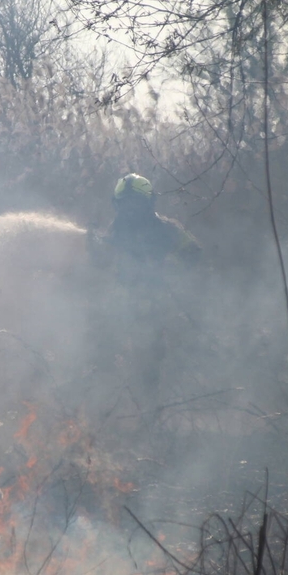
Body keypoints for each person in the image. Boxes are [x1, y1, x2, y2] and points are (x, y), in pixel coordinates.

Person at [87, 173, 201, 431]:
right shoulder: (114, 230)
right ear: (116, 203)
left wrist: (163, 269)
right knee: (102, 361)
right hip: (115, 312)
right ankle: (103, 421)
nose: (129, 209)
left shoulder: (167, 230)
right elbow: (100, 266)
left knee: (148, 368)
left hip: (152, 312)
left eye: (134, 203)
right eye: (123, 203)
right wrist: (93, 247)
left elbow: (194, 255)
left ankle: (148, 423)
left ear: (148, 203)